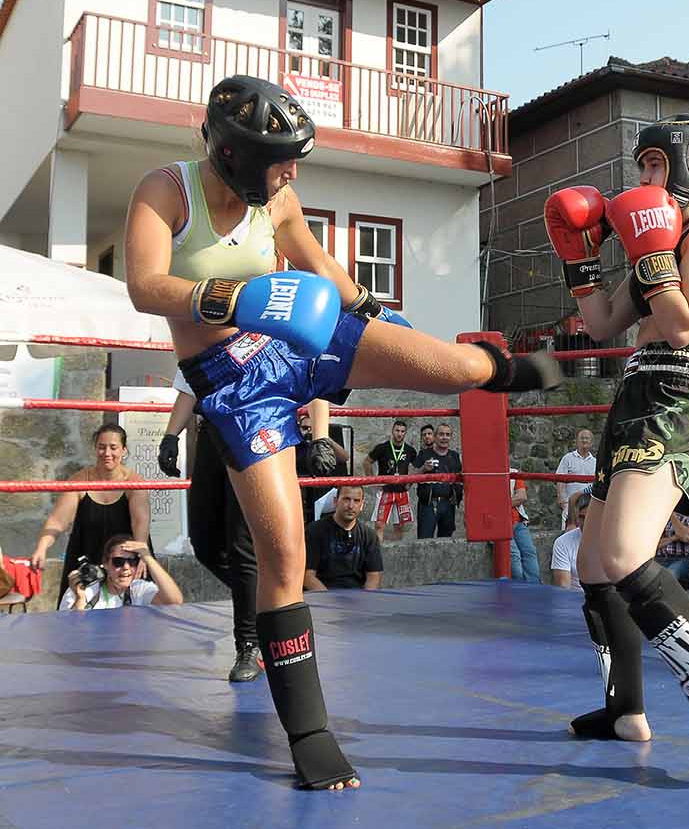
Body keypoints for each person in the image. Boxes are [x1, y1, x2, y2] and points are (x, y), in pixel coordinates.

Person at [123, 75, 561, 791]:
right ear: (236, 155)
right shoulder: (166, 190)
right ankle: (309, 734)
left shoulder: (277, 199)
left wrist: (374, 311)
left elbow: (320, 267)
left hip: (297, 337)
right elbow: (144, 285)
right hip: (233, 383)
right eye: (281, 161)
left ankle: (532, 367)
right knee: (285, 554)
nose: (292, 174)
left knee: (455, 366)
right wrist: (237, 297)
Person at [551, 113, 689, 765]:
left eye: (656, 164)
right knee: (592, 564)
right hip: (636, 393)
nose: (645, 177)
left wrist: (652, 251)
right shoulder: (656, 232)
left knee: (625, 552)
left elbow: (686, 323)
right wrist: (578, 259)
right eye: (641, 166)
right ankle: (625, 709)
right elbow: (603, 323)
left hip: (683, 393)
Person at [160, 371, 263, 682]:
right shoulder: (202, 341)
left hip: (253, 429)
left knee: (241, 545)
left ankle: (249, 643)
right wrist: (171, 435)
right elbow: (189, 382)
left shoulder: (267, 338)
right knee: (204, 542)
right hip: (211, 432)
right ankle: (267, 600)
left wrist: (320, 436)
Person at [31, 424, 152, 602]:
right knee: (78, 609)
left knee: (136, 611)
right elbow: (58, 520)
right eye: (102, 447)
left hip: (124, 560)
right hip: (87, 555)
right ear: (95, 449)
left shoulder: (134, 482)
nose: (107, 453)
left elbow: (140, 521)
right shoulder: (79, 480)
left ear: (124, 450)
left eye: (113, 447)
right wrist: (42, 547)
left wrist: (142, 554)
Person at [60, 535, 183, 611]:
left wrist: (148, 557)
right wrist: (80, 599)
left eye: (132, 562)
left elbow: (174, 601)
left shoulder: (138, 589)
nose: (126, 567)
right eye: (118, 562)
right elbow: (68, 629)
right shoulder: (84, 590)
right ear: (105, 563)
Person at [303, 486, 383, 591]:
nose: (351, 506)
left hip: (358, 597)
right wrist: (328, 599)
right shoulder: (314, 531)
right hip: (322, 595)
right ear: (335, 501)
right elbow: (307, 576)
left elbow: (374, 576)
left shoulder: (369, 536)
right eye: (346, 499)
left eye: (356, 501)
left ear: (362, 505)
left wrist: (365, 598)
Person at [364, 419, 415, 542]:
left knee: (400, 526)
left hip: (401, 492)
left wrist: (410, 483)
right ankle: (378, 550)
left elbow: (417, 467)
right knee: (379, 524)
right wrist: (372, 481)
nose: (399, 433)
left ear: (405, 433)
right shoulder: (382, 448)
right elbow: (367, 462)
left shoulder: (410, 450)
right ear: (392, 431)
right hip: (385, 491)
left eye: (402, 431)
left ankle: (397, 550)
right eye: (397, 430)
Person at [414, 423, 463, 540]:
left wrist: (458, 495)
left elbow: (461, 479)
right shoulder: (424, 454)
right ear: (435, 437)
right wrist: (423, 469)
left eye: (447, 435)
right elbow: (411, 476)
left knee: (446, 540)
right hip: (428, 504)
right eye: (441, 434)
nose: (444, 437)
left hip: (448, 504)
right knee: (424, 540)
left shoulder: (455, 456)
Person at [555, 429, 596, 530]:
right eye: (582, 438)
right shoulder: (567, 458)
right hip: (570, 504)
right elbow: (560, 479)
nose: (584, 440)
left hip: (588, 505)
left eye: (587, 438)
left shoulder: (596, 462)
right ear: (577, 441)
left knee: (588, 531)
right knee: (569, 530)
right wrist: (562, 499)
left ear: (591, 442)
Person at [551, 489, 590, 589]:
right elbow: (563, 588)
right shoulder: (562, 542)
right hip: (575, 598)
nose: (585, 523)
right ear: (576, 517)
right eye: (581, 517)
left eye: (590, 517)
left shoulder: (613, 541)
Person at [505, 470, 539, 583]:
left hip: (517, 522)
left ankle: (533, 586)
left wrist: (497, 505)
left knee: (530, 551)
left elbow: (521, 496)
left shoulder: (513, 472)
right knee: (514, 555)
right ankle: (519, 587)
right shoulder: (486, 474)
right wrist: (512, 500)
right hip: (499, 524)